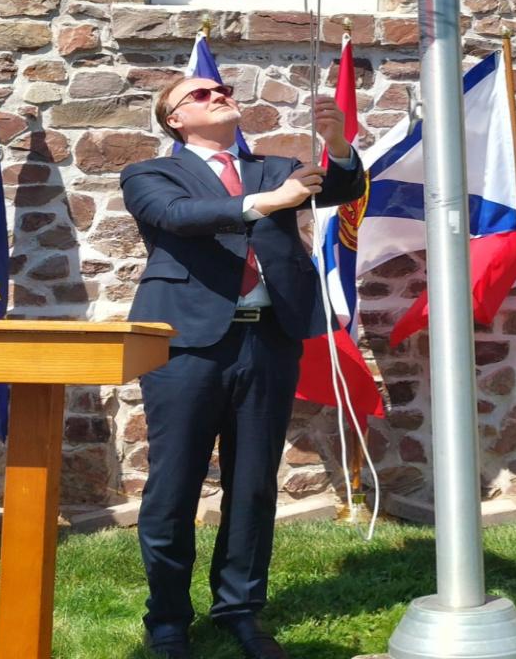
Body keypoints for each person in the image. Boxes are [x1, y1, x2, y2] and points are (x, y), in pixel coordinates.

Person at [124, 76, 365, 659]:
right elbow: (180, 216)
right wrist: (270, 202)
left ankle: (240, 609)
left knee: (254, 483)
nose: (218, 95)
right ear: (175, 120)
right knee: (174, 484)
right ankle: (168, 619)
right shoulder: (151, 173)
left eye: (222, 88)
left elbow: (341, 186)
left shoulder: (272, 167)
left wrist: (336, 146)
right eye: (200, 94)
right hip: (187, 345)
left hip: (268, 341)